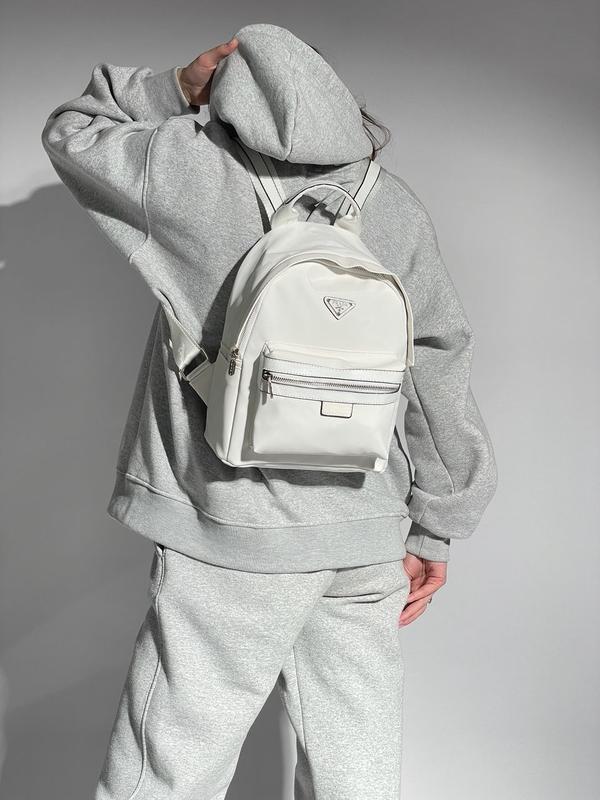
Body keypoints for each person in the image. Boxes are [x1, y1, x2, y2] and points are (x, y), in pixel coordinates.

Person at [41, 22, 497, 800]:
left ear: (232, 95)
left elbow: (73, 129)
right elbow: (437, 361)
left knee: (170, 769)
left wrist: (174, 87)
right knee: (356, 770)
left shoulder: (185, 171)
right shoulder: (391, 204)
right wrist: (435, 526)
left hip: (233, 533)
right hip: (365, 534)